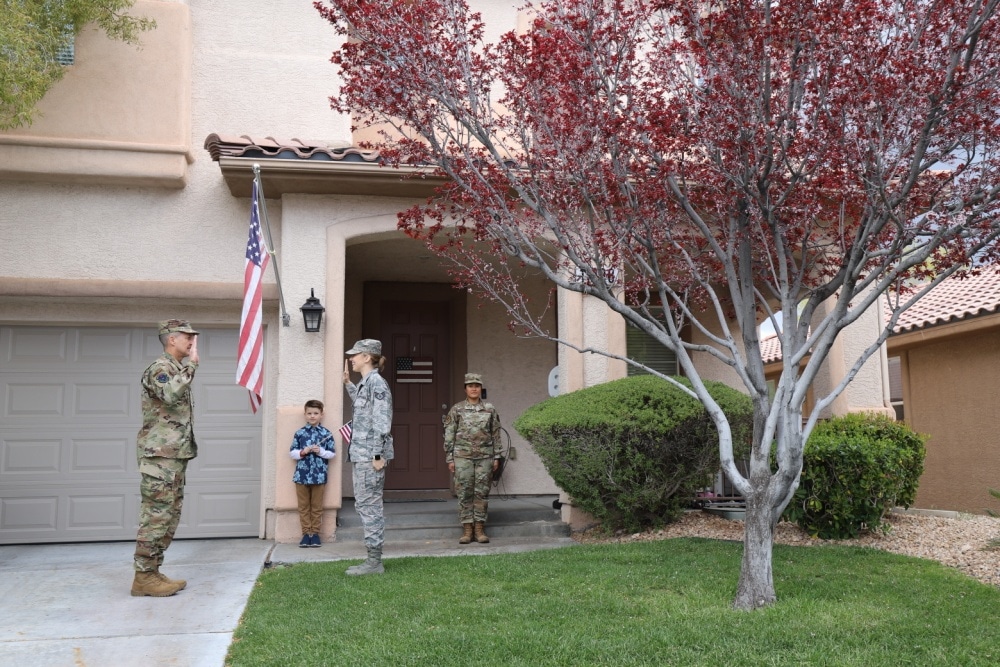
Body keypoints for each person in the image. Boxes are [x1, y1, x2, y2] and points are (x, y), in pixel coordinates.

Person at [131, 319, 200, 597]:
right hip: (159, 459)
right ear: (172, 339)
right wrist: (192, 366)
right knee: (156, 516)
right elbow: (170, 395)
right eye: (187, 337)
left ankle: (153, 571)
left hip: (173, 456)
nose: (192, 341)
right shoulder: (160, 369)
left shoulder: (174, 369)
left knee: (169, 516)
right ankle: (144, 576)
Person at [342, 339, 394, 575]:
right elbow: (364, 410)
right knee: (364, 505)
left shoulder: (377, 383)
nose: (351, 358)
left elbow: (382, 421)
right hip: (362, 454)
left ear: (367, 357)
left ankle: (374, 562)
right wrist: (348, 385)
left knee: (370, 506)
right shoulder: (366, 383)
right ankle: (372, 559)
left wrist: (377, 454)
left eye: (355, 354)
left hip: (369, 456)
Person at [444, 373, 501, 544]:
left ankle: (480, 529)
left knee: (481, 493)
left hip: (485, 457)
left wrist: (497, 456)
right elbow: (449, 434)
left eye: (477, 385)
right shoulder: (456, 409)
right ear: (465, 389)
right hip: (462, 457)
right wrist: (450, 458)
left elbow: (496, 434)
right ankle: (467, 529)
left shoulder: (490, 409)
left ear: (481, 388)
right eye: (470, 385)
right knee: (464, 492)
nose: (474, 388)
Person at [289, 399, 335, 548]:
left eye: (316, 413)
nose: (312, 416)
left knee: (316, 506)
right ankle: (305, 534)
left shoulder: (326, 433)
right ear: (305, 414)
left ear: (321, 414)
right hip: (301, 476)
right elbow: (292, 453)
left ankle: (314, 534)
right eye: (309, 413)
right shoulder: (300, 433)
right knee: (303, 507)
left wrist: (320, 451)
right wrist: (303, 451)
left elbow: (332, 454)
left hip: (319, 476)